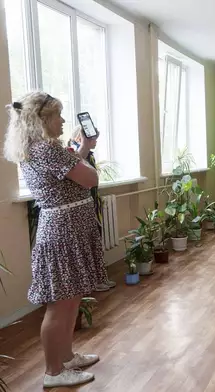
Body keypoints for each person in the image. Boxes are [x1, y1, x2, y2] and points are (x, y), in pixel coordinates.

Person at [3, 92, 105, 388]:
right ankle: (53, 372)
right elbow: (90, 179)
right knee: (60, 305)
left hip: (67, 229)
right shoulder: (47, 150)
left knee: (70, 300)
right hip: (63, 233)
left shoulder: (43, 149)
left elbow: (72, 175)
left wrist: (82, 149)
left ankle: (67, 358)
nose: (62, 120)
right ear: (42, 119)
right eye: (58, 115)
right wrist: (83, 153)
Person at [67, 127, 116, 292]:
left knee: (96, 241)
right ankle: (92, 282)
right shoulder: (73, 154)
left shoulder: (89, 155)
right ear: (80, 138)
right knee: (87, 246)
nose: (95, 142)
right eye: (93, 138)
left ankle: (100, 278)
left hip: (92, 204)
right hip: (80, 209)